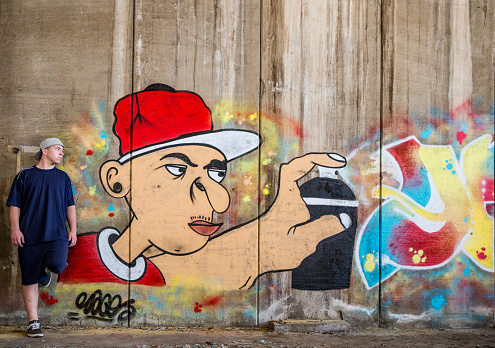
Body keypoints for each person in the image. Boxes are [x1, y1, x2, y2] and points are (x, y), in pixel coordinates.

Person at [60, 84, 351, 290]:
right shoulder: (67, 264)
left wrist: (260, 248)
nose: (219, 199)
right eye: (177, 168)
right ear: (117, 179)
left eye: (216, 172)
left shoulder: (154, 277)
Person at [7, 138, 77, 338]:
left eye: (63, 149)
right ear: (44, 151)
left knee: (58, 263)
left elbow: (70, 205)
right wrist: (15, 230)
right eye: (58, 149)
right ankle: (33, 323)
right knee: (29, 279)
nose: (62, 152)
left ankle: (44, 273)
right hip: (29, 236)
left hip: (57, 235)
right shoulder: (24, 176)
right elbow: (15, 205)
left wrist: (73, 229)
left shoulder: (63, 178)